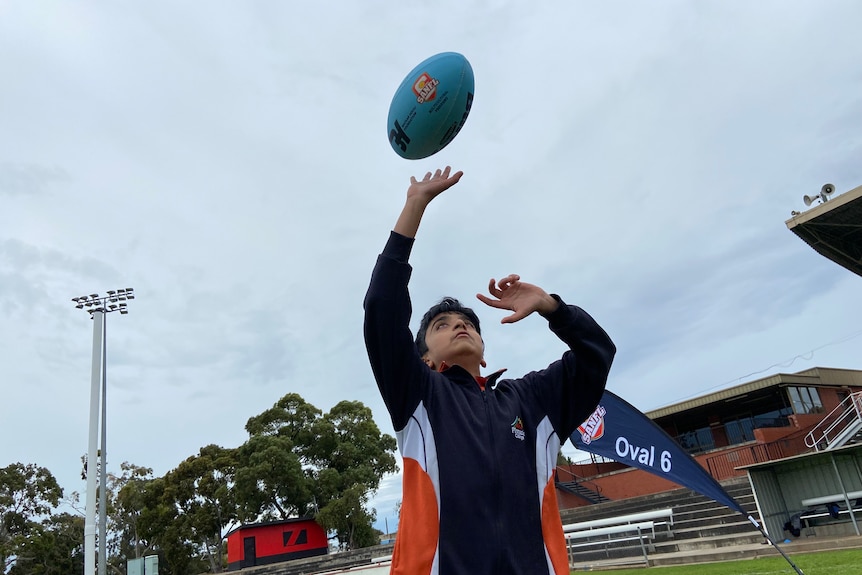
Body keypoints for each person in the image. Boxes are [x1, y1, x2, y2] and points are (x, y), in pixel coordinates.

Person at [363, 167, 616, 575]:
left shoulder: (531, 400)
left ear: (483, 352)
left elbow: (597, 355)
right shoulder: (418, 396)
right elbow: (381, 310)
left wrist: (553, 307)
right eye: (440, 325)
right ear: (425, 359)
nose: (459, 325)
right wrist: (414, 207)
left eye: (468, 323)